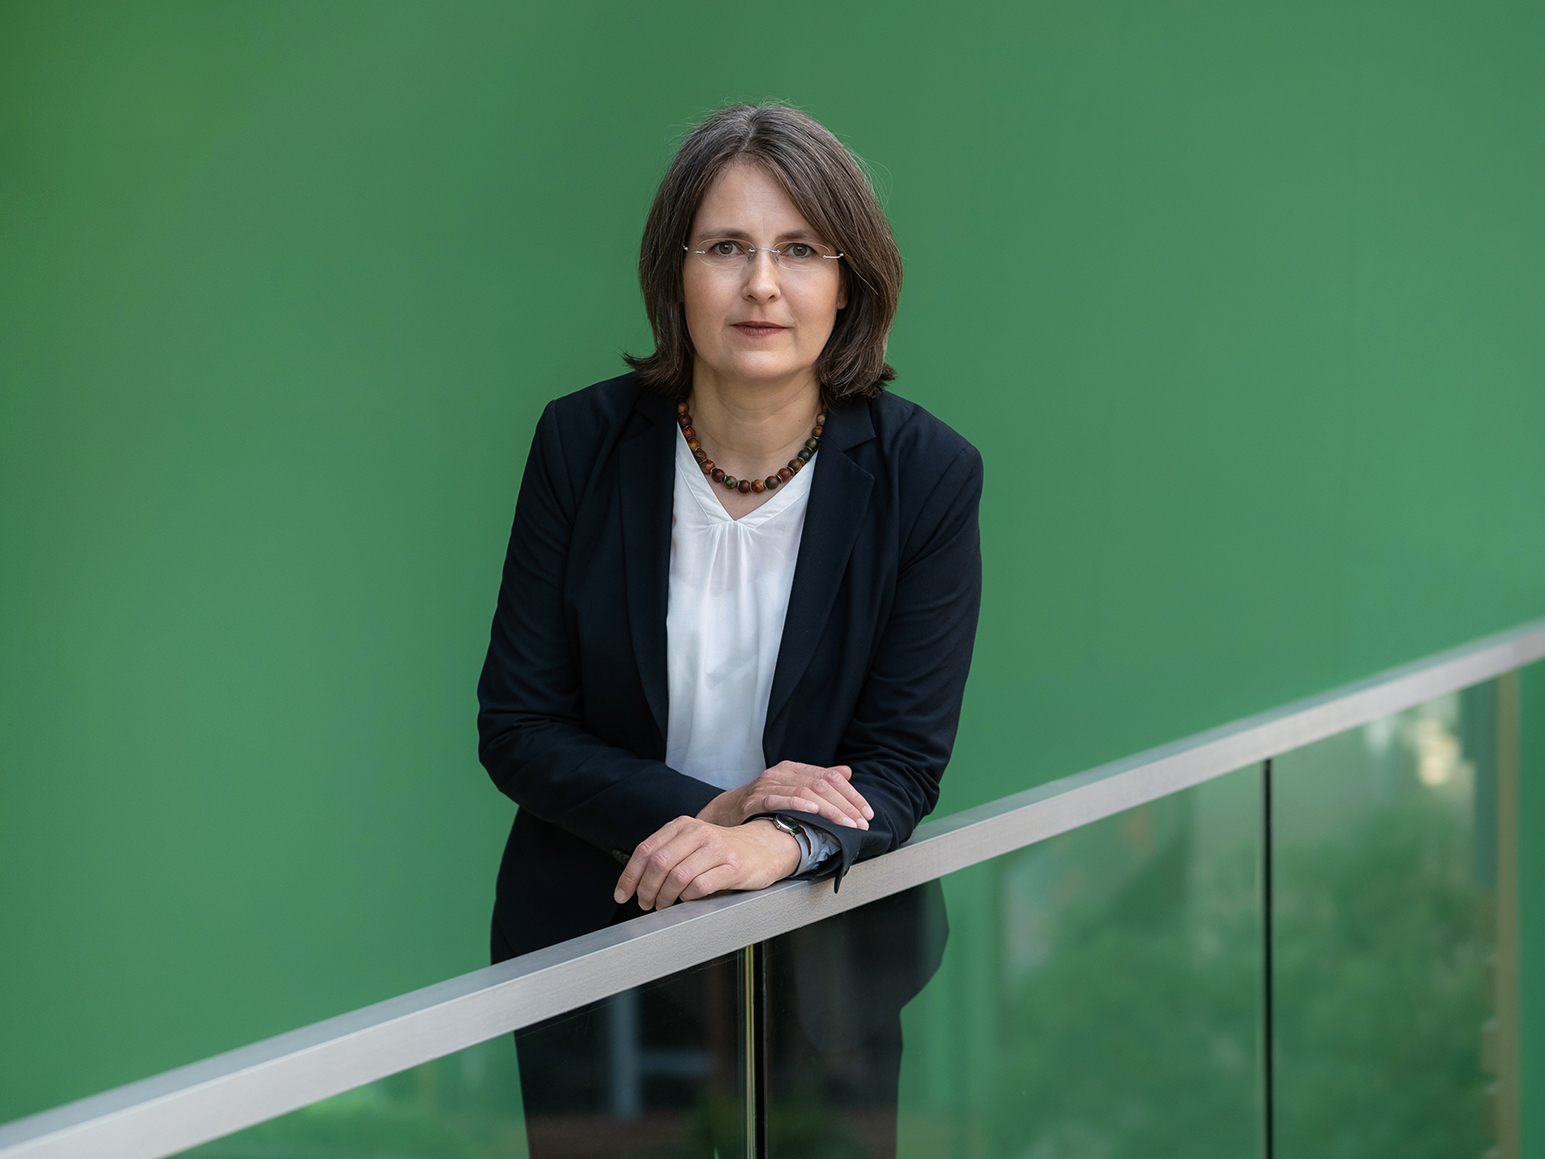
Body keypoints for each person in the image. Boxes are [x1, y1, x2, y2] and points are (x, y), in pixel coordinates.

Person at [478, 102, 982, 1157]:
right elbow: (520, 726)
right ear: (675, 274)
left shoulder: (927, 475)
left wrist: (772, 841)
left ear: (849, 285)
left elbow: (901, 762)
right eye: (725, 248)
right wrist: (718, 809)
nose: (761, 284)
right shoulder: (579, 443)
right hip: (598, 948)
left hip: (824, 954)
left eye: (799, 249)